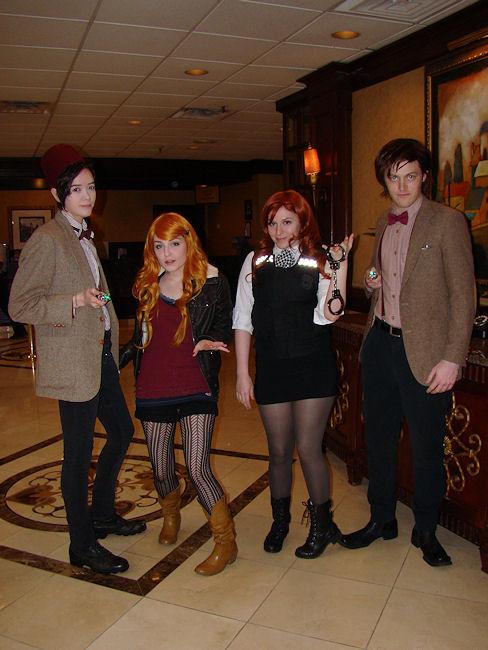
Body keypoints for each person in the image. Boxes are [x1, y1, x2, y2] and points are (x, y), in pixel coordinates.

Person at [9, 144, 145, 575]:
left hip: (98, 356)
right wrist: (73, 301)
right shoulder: (46, 240)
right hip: (72, 364)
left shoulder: (84, 233)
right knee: (78, 453)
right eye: (77, 189)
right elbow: (19, 305)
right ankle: (81, 545)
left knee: (121, 432)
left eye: (91, 187)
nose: (88, 196)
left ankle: (101, 515)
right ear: (57, 194)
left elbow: (97, 295)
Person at [339, 138, 475, 567]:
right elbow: (379, 274)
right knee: (378, 441)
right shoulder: (383, 221)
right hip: (380, 343)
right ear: (384, 180)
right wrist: (371, 279)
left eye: (410, 176)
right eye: (393, 178)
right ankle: (381, 519)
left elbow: (464, 295)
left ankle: (426, 530)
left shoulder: (448, 221)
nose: (401, 186)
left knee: (427, 448)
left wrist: (453, 358)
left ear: (424, 177)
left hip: (426, 353)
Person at [233, 189, 353, 558]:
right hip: (272, 366)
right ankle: (280, 521)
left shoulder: (318, 260)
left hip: (312, 365)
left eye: (287, 221)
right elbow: (242, 319)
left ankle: (322, 525)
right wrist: (242, 373)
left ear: (302, 221)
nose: (279, 230)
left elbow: (329, 314)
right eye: (272, 223)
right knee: (279, 452)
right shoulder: (255, 261)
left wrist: (340, 268)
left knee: (309, 448)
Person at [119, 212, 237, 576]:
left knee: (198, 468)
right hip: (153, 385)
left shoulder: (213, 281)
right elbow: (139, 338)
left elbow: (224, 326)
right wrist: (113, 361)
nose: (167, 253)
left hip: (196, 383)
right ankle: (170, 513)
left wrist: (212, 340)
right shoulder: (148, 284)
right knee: (161, 469)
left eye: (174, 244)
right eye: (159, 245)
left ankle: (225, 541)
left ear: (189, 242)